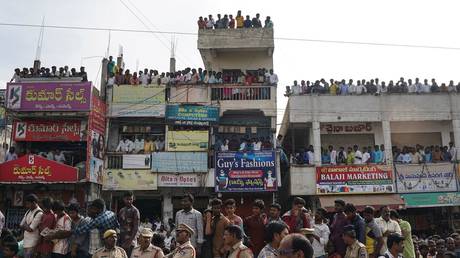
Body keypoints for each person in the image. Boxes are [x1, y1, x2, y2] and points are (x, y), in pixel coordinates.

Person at [118, 191, 140, 256]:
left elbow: (136, 228)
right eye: (127, 199)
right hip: (122, 240)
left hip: (131, 241)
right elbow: (120, 225)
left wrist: (129, 241)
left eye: (131, 199)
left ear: (133, 199)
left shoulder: (135, 211)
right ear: (124, 199)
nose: (129, 201)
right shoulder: (121, 210)